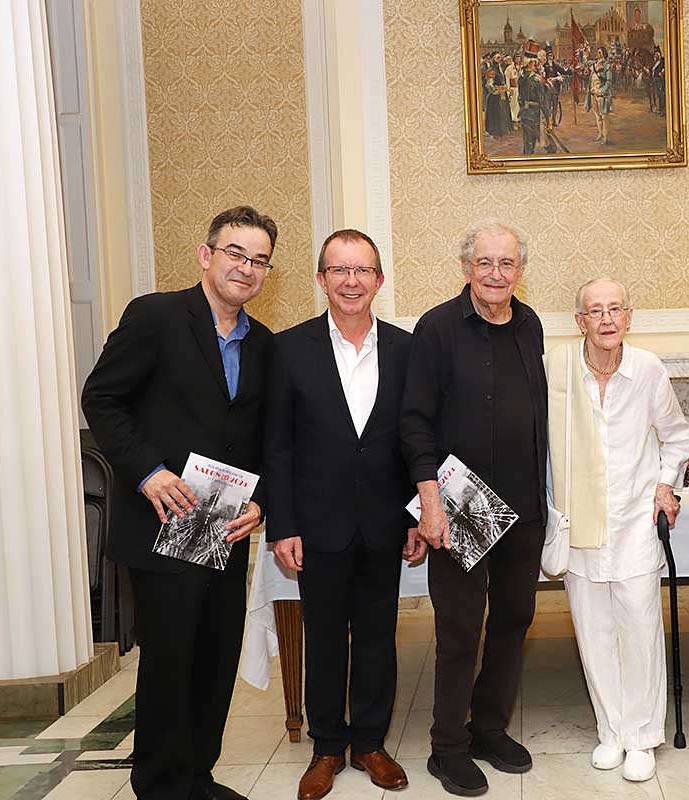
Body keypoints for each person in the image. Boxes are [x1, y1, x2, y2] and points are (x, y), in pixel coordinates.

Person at [81, 206, 277, 800]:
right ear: (206, 255)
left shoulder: (263, 344)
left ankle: (197, 777)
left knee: (215, 659)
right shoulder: (156, 316)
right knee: (170, 661)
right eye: (236, 253)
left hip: (224, 526)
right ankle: (161, 785)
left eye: (260, 260)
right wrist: (148, 473)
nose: (246, 268)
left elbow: (262, 437)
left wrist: (262, 501)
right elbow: (102, 398)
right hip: (164, 519)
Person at [262, 229, 424, 799]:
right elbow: (276, 446)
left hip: (384, 522)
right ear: (321, 279)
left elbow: (415, 440)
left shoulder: (407, 349)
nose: (351, 281)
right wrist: (283, 525)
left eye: (362, 270)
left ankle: (370, 744)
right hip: (316, 525)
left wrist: (416, 517)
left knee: (379, 637)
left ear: (379, 280)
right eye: (339, 270)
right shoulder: (288, 349)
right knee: (325, 639)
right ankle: (327, 747)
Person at [401, 221, 548, 797]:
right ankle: (447, 747)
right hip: (460, 503)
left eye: (506, 263)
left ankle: (488, 729)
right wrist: (429, 503)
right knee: (460, 629)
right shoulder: (436, 328)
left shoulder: (530, 324)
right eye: (484, 262)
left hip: (523, 506)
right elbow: (415, 421)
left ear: (520, 270)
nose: (495, 273)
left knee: (514, 620)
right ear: (466, 268)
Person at [547, 279, 689, 782]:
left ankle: (642, 736)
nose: (606, 319)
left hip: (634, 522)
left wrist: (666, 485)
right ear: (579, 321)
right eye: (595, 311)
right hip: (578, 522)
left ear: (629, 317)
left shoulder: (647, 369)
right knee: (593, 633)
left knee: (640, 630)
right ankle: (611, 732)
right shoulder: (557, 369)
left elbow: (677, 436)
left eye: (615, 309)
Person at [587, 47, 613, 145]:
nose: (598, 54)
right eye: (597, 52)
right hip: (593, 93)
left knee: (604, 117)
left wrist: (602, 91)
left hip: (602, 94)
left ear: (604, 54)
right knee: (597, 116)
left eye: (600, 52)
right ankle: (600, 134)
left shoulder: (607, 66)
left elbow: (609, 82)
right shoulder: (594, 64)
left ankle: (605, 137)